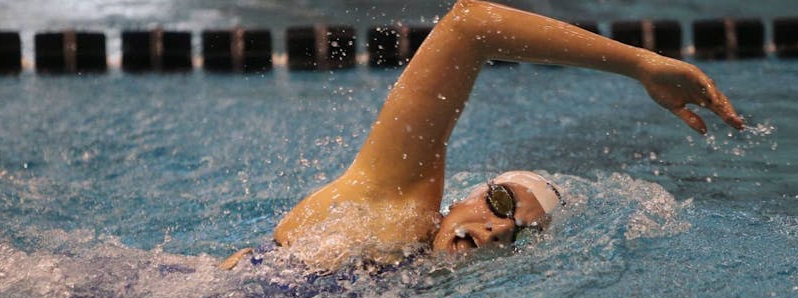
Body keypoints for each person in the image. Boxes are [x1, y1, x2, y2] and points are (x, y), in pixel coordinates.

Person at [220, 0, 743, 272]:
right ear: (462, 197)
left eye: (520, 233)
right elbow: (469, 27)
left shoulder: (421, 291)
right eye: (500, 202)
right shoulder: (394, 206)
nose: (497, 230)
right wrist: (640, 63)